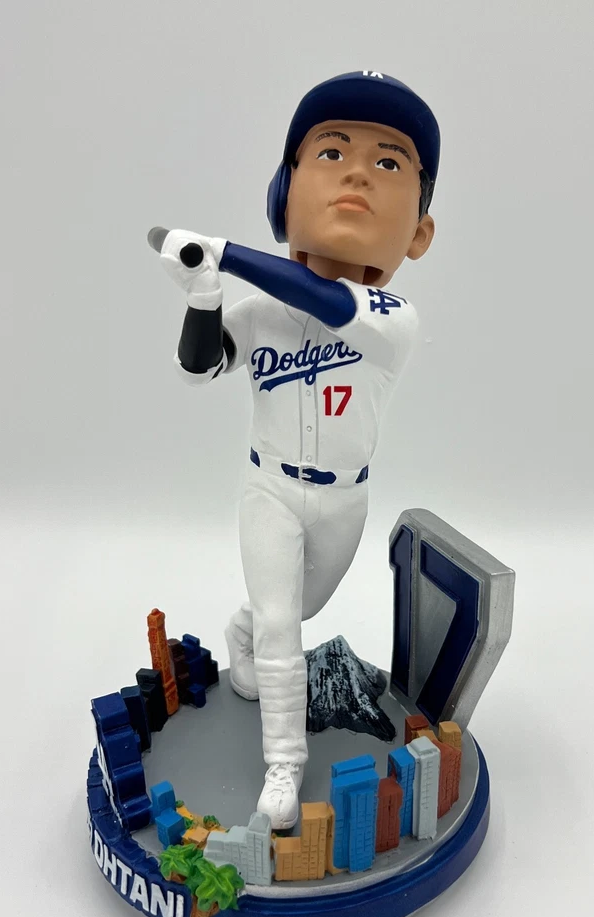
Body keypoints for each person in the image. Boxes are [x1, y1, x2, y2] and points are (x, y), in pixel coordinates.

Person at [156, 70, 439, 828]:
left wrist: (223, 252)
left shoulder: (392, 316)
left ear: (419, 232)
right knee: (287, 626)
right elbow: (196, 366)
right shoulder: (260, 312)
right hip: (270, 490)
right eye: (332, 153)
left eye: (388, 162)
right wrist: (204, 293)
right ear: (284, 197)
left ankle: (243, 633)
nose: (356, 173)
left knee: (299, 606)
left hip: (344, 497)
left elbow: (326, 301)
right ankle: (284, 761)